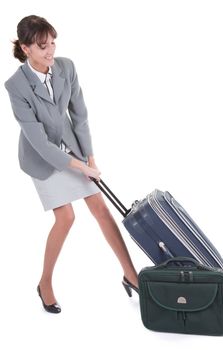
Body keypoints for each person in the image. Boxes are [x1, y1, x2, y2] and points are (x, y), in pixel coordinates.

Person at [5, 15, 138, 314]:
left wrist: (89, 156)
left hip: (72, 148)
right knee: (66, 218)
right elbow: (40, 144)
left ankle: (131, 276)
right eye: (42, 47)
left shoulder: (66, 67)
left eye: (53, 43)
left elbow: (79, 114)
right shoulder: (16, 86)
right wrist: (82, 168)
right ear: (26, 49)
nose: (50, 51)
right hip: (43, 159)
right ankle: (45, 283)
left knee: (101, 209)